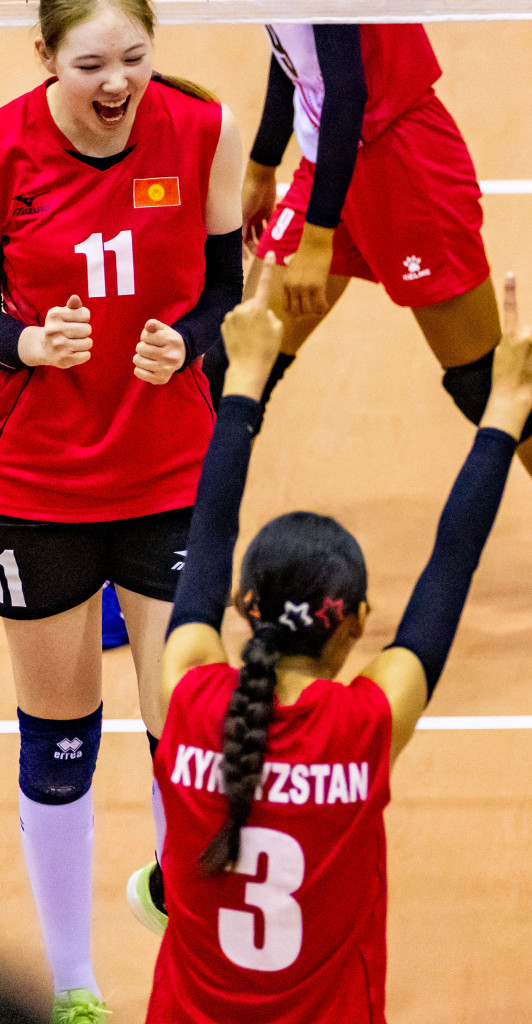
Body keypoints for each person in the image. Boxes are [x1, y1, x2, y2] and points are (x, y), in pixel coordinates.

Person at [144, 258, 532, 1021]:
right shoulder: (360, 729)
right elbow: (450, 569)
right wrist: (507, 404)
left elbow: (206, 534)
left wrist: (244, 383)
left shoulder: (190, 692)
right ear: (358, 622)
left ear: (243, 604)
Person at [210, 22, 532, 638]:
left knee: (485, 383)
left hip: (403, 163)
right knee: (238, 365)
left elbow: (347, 90)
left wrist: (318, 239)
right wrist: (264, 162)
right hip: (329, 159)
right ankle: (179, 554)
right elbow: (292, 54)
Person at [0, 0, 242, 1017]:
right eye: (92, 62)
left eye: (137, 60)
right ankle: (71, 985)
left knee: (183, 722)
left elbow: (228, 295)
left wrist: (188, 343)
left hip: (169, 474)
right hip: (37, 485)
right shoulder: (5, 149)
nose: (117, 84)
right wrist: (22, 344)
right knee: (60, 741)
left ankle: (179, 926)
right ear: (44, 53)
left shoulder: (203, 131)